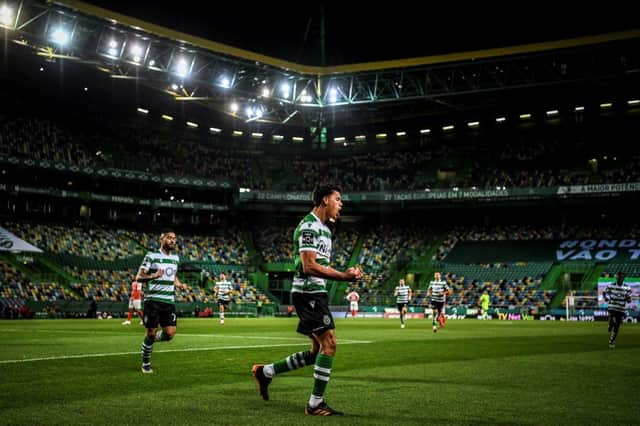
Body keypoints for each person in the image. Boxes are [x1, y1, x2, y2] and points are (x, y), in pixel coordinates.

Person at [252, 185, 363, 416]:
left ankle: (266, 372)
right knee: (330, 344)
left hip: (316, 293)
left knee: (316, 352)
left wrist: (346, 272)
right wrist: (344, 277)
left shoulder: (325, 230)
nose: (341, 204)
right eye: (338, 199)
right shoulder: (309, 227)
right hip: (307, 294)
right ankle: (315, 404)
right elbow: (309, 266)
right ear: (325, 200)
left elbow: (321, 264)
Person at [137, 229, 187, 373]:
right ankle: (146, 363)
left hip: (168, 301)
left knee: (169, 334)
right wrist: (154, 276)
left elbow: (173, 276)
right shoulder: (151, 256)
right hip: (153, 300)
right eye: (169, 238)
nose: (172, 240)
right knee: (151, 333)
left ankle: (149, 340)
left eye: (174, 238)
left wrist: (178, 284)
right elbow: (139, 277)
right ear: (162, 239)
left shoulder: (175, 259)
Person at [604, 272, 632, 348]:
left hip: (621, 308)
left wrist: (629, 299)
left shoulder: (627, 288)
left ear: (623, 278)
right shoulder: (611, 285)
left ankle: (611, 341)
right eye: (619, 277)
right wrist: (606, 297)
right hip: (612, 306)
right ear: (617, 278)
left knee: (617, 326)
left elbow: (629, 298)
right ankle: (610, 324)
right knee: (611, 318)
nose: (620, 279)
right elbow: (605, 292)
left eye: (622, 277)